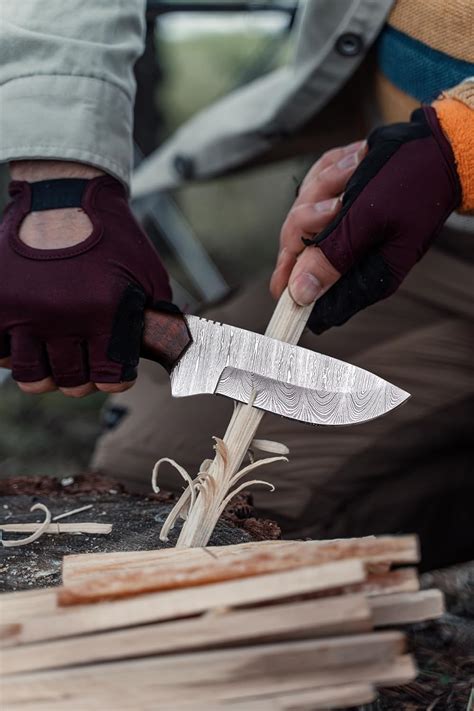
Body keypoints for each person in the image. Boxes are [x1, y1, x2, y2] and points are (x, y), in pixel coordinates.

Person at [0, 1, 472, 567]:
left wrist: (463, 144)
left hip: (444, 172)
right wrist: (58, 192)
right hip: (420, 238)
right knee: (162, 485)